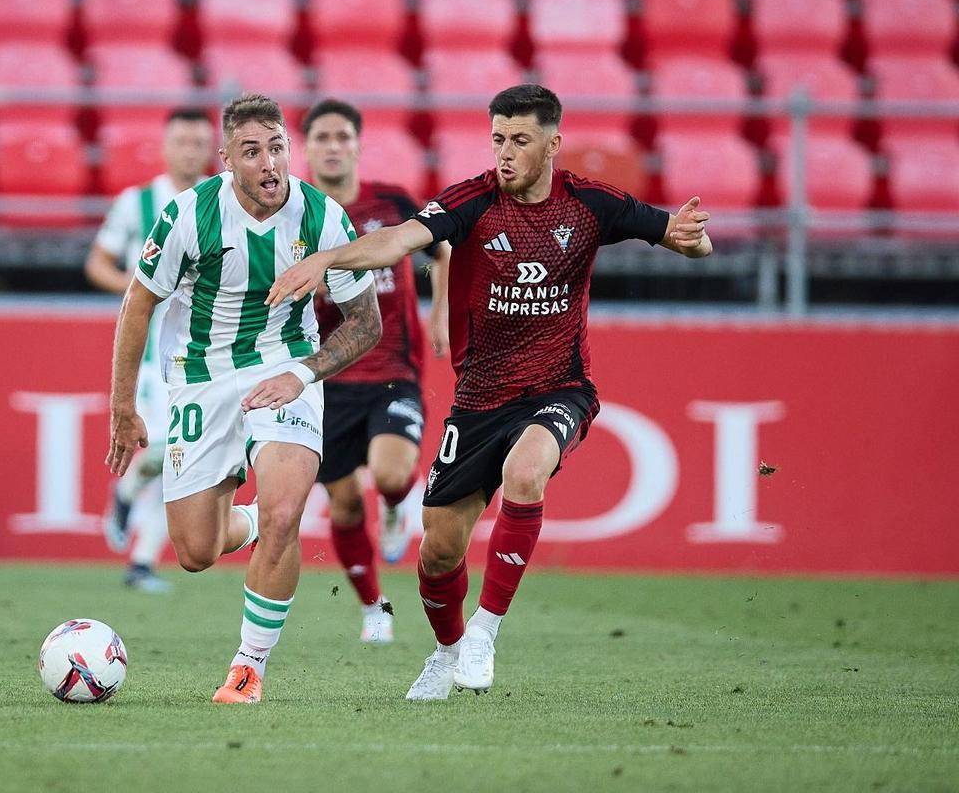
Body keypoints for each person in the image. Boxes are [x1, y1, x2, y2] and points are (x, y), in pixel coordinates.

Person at [266, 84, 713, 700]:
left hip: (560, 387)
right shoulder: (471, 201)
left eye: (520, 140)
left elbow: (678, 234)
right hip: (477, 400)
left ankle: (484, 630)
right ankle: (447, 652)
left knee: (526, 473)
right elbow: (398, 240)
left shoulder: (590, 203)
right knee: (437, 558)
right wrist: (330, 260)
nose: (505, 152)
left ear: (553, 144)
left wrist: (693, 236)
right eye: (498, 138)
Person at [106, 94, 382, 704]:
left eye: (277, 148)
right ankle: (253, 520)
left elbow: (366, 325)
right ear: (227, 159)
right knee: (196, 552)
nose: (268, 163)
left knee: (287, 515)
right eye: (251, 152)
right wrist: (123, 407)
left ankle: (247, 668)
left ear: (290, 149)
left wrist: (305, 373)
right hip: (199, 381)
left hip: (284, 372)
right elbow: (138, 304)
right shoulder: (187, 214)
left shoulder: (324, 219)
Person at [300, 99, 451, 644]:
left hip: (393, 371)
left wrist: (441, 310)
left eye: (343, 135)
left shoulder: (391, 202)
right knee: (341, 504)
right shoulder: (296, 213)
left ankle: (392, 508)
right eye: (322, 137)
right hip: (326, 380)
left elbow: (443, 247)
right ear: (308, 147)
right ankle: (373, 608)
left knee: (391, 475)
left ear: (358, 145)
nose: (333, 145)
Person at [85, 109, 215, 593]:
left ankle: (140, 561)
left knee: (186, 459)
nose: (190, 150)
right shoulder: (137, 203)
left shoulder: (222, 199)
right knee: (165, 449)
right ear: (165, 146)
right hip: (154, 354)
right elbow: (97, 262)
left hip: (208, 348)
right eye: (182, 141)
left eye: (199, 142)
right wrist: (137, 289)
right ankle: (125, 490)